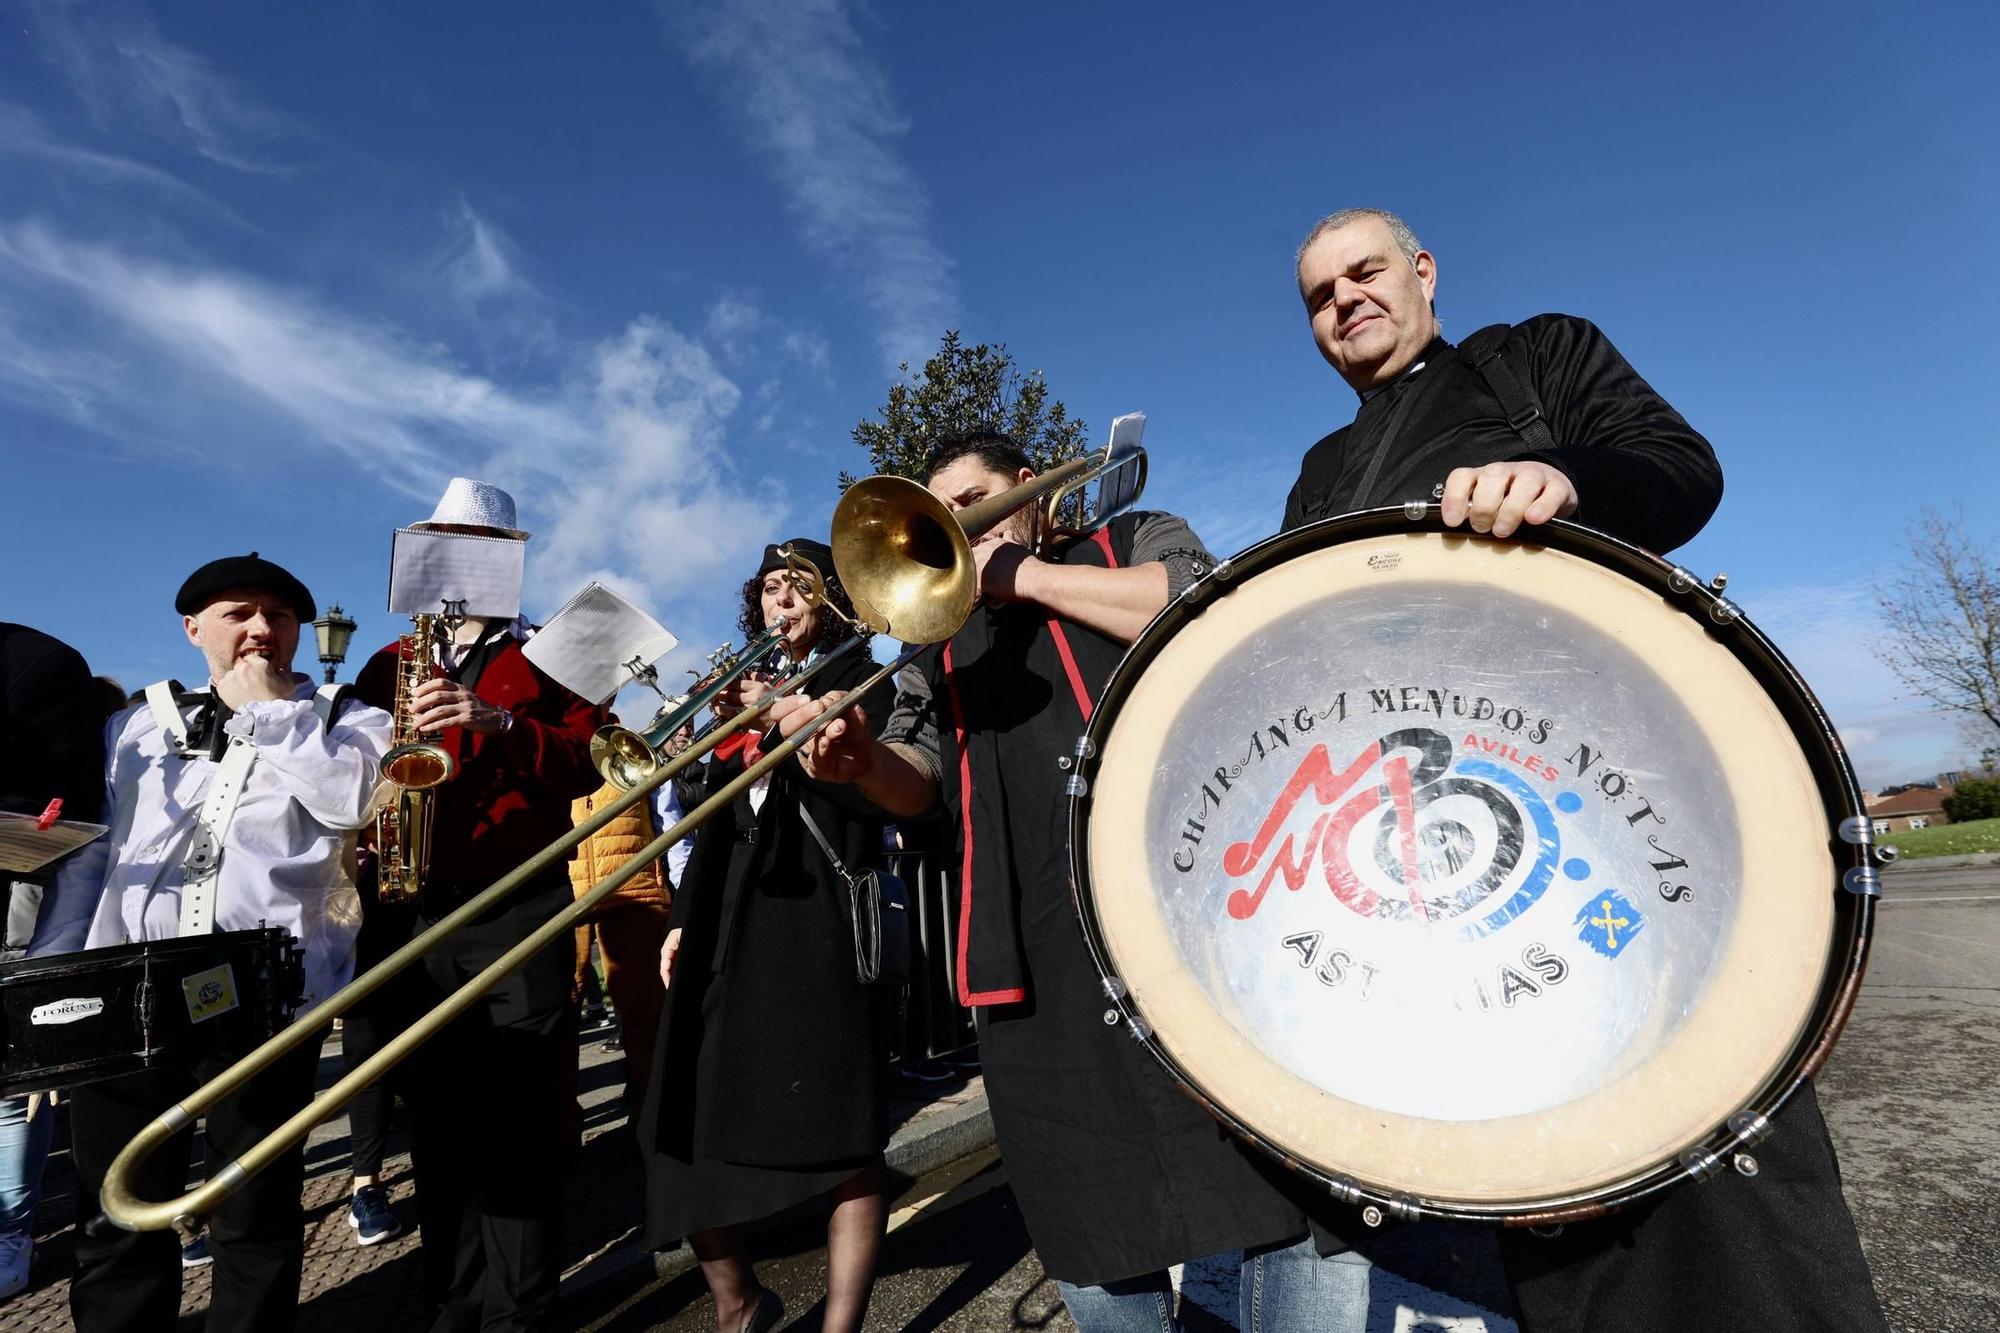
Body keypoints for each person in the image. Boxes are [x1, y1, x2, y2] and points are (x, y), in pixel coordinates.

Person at [1284, 207, 1883, 1332]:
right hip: (1440, 850)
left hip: (1619, 799)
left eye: (1362, 272)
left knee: (1703, 1150)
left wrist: (1556, 476)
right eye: (1317, 295)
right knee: (1528, 1163)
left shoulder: (1536, 354)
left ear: (1420, 271)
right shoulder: (1320, 470)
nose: (1342, 302)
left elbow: (1680, 472)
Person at [770, 439, 1375, 1333]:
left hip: (1195, 927)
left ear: (1027, 491)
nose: (960, 527)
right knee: (1084, 1228)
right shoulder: (933, 641)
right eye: (942, 512)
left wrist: (1025, 577)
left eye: (973, 499)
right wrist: (862, 762)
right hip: (1038, 963)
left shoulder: (1126, 535)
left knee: (1274, 1205)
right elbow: (921, 778)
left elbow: (1200, 601)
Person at [29, 556, 392, 1333]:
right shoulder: (131, 724)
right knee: (116, 1215)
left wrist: (272, 713)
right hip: (126, 992)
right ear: (194, 628)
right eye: (240, 613)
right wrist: (49, 981)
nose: (263, 628)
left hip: (264, 995)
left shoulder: (344, 717)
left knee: (253, 1216)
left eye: (279, 615)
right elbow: (91, 856)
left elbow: (355, 804)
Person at [354, 478, 604, 1333]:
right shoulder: (386, 662)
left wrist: (496, 720)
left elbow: (590, 764)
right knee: (440, 1130)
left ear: (506, 559)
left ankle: (523, 1316)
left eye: (475, 543)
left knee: (523, 1126)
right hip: (414, 907)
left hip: (514, 906)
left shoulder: (553, 653)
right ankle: (452, 1309)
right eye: (442, 539)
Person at [639, 539, 896, 1333]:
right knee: (670, 1125)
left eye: (799, 588)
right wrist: (681, 919)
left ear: (832, 601)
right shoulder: (737, 693)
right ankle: (738, 1301)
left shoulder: (863, 677)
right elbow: (714, 826)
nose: (781, 602)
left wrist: (785, 711)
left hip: (814, 926)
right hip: (726, 924)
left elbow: (872, 805)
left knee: (845, 1139)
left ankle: (840, 1325)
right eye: (772, 590)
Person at [0, 623, 108, 1301]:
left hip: (14, 892)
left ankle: (9, 1231)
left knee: (11, 1089)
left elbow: (71, 811)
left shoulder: (37, 663)